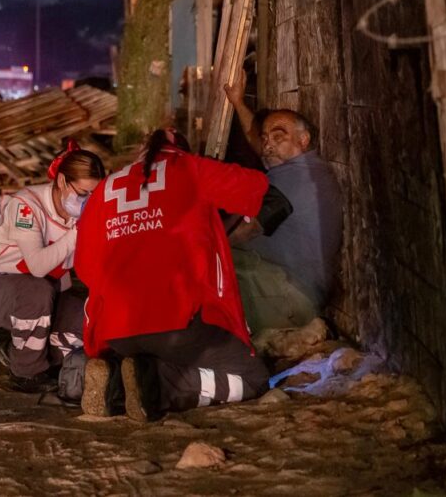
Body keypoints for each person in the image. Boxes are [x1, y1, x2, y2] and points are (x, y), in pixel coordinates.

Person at [75, 129, 292, 421]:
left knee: (149, 353)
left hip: (116, 331)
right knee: (251, 378)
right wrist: (228, 233)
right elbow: (265, 194)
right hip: (178, 325)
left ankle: (114, 378)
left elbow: (85, 267)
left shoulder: (106, 188)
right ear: (181, 151)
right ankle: (159, 385)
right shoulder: (191, 168)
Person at [0, 143, 104, 393]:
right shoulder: (26, 204)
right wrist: (78, 233)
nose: (87, 201)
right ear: (61, 181)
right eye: (82, 193)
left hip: (45, 294)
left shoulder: (84, 215)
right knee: (35, 291)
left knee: (94, 327)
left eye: (95, 195)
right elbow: (37, 266)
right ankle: (27, 372)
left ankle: (21, 350)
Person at [223, 70, 343, 330]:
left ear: (303, 140)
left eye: (279, 137)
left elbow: (248, 228)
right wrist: (238, 103)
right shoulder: (303, 168)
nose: (267, 145)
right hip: (284, 285)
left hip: (289, 295)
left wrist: (204, 249)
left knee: (209, 275)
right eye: (266, 139)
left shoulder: (294, 179)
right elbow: (259, 143)